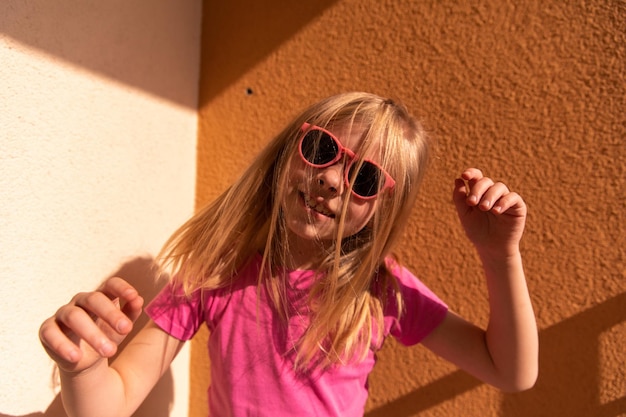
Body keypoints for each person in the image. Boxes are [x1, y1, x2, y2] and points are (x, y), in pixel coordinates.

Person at [39, 92, 538, 417]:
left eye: (364, 178)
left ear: (383, 211)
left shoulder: (379, 292)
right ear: (289, 151)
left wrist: (499, 257)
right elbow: (113, 403)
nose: (330, 179)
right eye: (322, 149)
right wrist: (82, 366)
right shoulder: (218, 268)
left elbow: (510, 371)